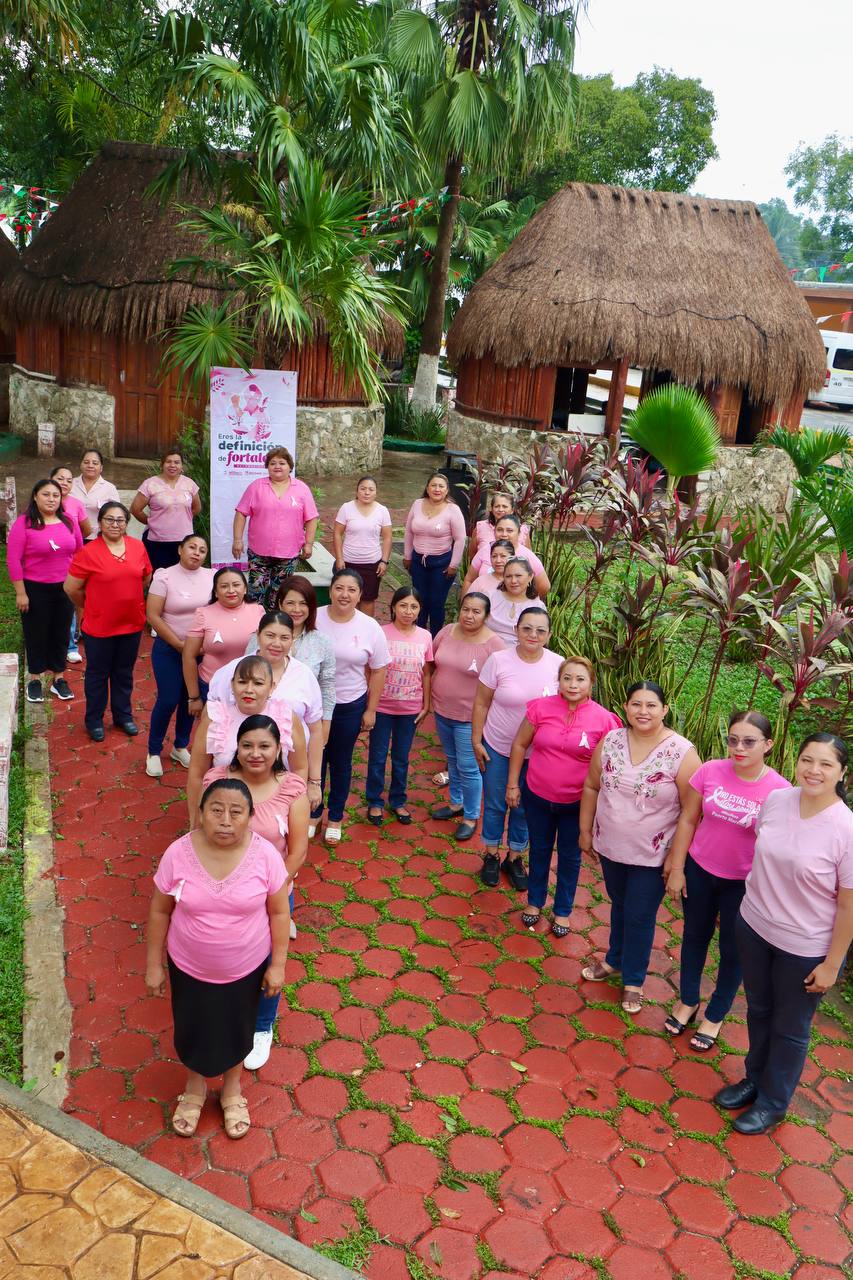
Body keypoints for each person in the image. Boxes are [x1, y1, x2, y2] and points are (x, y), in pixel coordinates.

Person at [714, 734, 853, 1135]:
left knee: (790, 1027)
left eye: (826, 764)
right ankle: (754, 1079)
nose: (814, 770)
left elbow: (848, 905)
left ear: (842, 772)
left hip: (804, 947)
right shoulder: (776, 800)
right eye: (808, 760)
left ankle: (774, 1102)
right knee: (758, 1011)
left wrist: (832, 964)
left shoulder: (844, 830)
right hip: (755, 927)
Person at [146, 778, 291, 1139]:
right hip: (188, 966)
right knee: (192, 1025)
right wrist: (153, 964)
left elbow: (278, 913)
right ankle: (194, 1087)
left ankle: (231, 1090)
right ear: (200, 813)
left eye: (236, 812)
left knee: (238, 1027)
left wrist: (278, 965)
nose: (225, 820)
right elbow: (160, 910)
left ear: (250, 817)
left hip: (246, 967)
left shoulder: (267, 857)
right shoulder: (178, 853)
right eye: (216, 810)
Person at [662, 711, 790, 1051]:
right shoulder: (710, 770)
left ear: (768, 744)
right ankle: (688, 1001)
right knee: (694, 937)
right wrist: (677, 867)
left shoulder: (780, 791)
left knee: (733, 952)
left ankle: (715, 1016)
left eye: (749, 742)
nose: (739, 748)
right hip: (700, 870)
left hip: (743, 884)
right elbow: (689, 818)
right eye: (733, 740)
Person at [579, 681, 701, 1015]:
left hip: (653, 855)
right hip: (611, 847)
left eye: (651, 705)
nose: (643, 711)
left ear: (664, 709)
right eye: (636, 704)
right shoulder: (612, 740)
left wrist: (676, 862)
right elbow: (591, 786)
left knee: (640, 915)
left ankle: (633, 979)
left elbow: (692, 811)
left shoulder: (681, 752)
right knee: (619, 904)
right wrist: (585, 830)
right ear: (626, 707)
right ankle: (615, 960)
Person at [204, 716, 309, 1070]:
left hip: (272, 895)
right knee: (224, 956)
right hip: (221, 892)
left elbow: (297, 851)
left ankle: (262, 1026)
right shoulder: (219, 781)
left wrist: (274, 891)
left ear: (279, 749)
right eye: (247, 745)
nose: (255, 754)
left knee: (268, 960)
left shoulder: (292, 789)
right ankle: (224, 1014)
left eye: (264, 746)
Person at [507, 657, 622, 937]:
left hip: (576, 805)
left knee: (570, 857)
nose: (573, 684)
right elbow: (521, 744)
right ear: (558, 681)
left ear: (591, 684)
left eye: (580, 679)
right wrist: (513, 784)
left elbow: (610, 767)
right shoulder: (540, 708)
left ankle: (562, 911)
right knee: (539, 850)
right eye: (567, 678)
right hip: (537, 795)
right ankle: (534, 902)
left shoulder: (605, 720)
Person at [471, 607, 562, 889]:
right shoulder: (499, 660)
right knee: (497, 802)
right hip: (498, 745)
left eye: (540, 630)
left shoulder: (558, 665)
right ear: (516, 630)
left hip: (539, 754)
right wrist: (476, 740)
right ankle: (491, 854)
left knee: (524, 807)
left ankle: (515, 856)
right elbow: (482, 702)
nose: (532, 635)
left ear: (548, 635)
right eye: (526, 628)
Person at [210, 610, 324, 816]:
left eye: (284, 637)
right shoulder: (232, 671)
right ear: (258, 635)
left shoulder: (304, 676)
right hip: (232, 778)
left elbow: (316, 731)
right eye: (270, 635)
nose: (276, 643)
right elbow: (213, 722)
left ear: (293, 640)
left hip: (284, 778)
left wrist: (314, 781)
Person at [64, 502, 152, 741]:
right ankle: (94, 720)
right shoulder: (89, 551)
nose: (115, 524)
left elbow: (145, 578)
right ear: (100, 523)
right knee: (98, 674)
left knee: (124, 673)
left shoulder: (137, 547)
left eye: (120, 520)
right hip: (99, 626)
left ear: (126, 524)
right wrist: (93, 603)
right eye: (110, 519)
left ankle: (123, 716)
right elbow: (71, 588)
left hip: (131, 623)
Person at [315, 569, 389, 843]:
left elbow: (379, 669)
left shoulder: (370, 627)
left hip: (349, 704)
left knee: (341, 761)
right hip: (315, 704)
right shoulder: (315, 616)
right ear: (331, 589)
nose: (344, 595)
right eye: (339, 588)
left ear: (359, 595)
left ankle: (335, 816)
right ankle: (313, 811)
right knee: (315, 759)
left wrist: (371, 709)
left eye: (351, 590)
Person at [186, 655, 306, 823]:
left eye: (258, 683)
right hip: (225, 815)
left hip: (272, 815)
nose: (249, 689)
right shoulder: (216, 718)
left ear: (272, 687)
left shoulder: (286, 718)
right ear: (232, 684)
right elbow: (197, 774)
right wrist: (195, 821)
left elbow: (299, 769)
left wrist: (296, 814)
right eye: (242, 682)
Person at [431, 593, 504, 842]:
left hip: (469, 718)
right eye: (465, 609)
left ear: (486, 616)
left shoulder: (494, 646)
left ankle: (471, 817)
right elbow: (432, 661)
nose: (469, 616)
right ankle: (455, 803)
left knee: (469, 767)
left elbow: (500, 682)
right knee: (452, 761)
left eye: (476, 611)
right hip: (441, 711)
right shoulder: (447, 631)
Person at [145, 534, 214, 777]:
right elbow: (153, 615)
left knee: (192, 698)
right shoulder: (164, 576)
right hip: (169, 648)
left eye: (202, 550)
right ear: (180, 549)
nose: (197, 553)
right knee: (168, 698)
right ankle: (153, 751)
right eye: (192, 547)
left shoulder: (212, 576)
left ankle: (180, 745)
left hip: (202, 651)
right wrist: (178, 644)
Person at [8, 479, 82, 704]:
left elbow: (79, 552)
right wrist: (21, 592)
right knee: (36, 633)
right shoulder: (25, 523)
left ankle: (58, 678)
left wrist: (79, 584)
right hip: (35, 588)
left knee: (61, 633)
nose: (51, 499)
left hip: (65, 588)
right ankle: (35, 679)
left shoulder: (68, 521)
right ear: (35, 497)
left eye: (56, 495)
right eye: (46, 495)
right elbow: (13, 560)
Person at [366, 587, 433, 825]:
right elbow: (371, 668)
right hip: (382, 707)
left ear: (419, 611)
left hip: (410, 709)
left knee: (401, 757)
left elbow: (426, 673)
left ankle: (398, 800)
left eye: (413, 607)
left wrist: (426, 704)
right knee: (377, 755)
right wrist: (369, 702)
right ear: (393, 607)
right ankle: (374, 800)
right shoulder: (380, 633)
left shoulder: (425, 636)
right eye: (403, 605)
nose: (408, 611)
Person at [232, 448, 319, 606]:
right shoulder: (256, 487)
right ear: (267, 466)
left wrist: (309, 543)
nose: (277, 466)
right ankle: (254, 625)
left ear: (290, 466)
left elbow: (312, 518)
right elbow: (241, 513)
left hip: (288, 552)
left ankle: (277, 626)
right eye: (273, 463)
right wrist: (237, 540)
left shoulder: (301, 489)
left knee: (280, 594)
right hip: (259, 552)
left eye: (282, 463)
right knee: (255, 592)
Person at [182, 569, 265, 711]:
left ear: (245, 588)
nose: (231, 590)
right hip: (211, 685)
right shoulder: (204, 614)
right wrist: (194, 697)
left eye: (236, 585)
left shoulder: (258, 611)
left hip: (250, 688)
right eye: (224, 586)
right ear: (215, 592)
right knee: (213, 731)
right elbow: (188, 656)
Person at [273, 577, 336, 751]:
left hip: (307, 725)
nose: (297, 610)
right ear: (280, 604)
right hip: (266, 724)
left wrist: (326, 723)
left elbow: (327, 685)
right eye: (290, 603)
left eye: (303, 603)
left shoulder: (322, 642)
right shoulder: (261, 638)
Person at [403, 472, 466, 636]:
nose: (437, 489)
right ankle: (419, 636)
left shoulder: (453, 509)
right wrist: (407, 556)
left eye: (441, 486)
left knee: (436, 603)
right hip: (418, 562)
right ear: (427, 488)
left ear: (446, 490)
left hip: (442, 564)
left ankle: (436, 639)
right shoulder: (417, 504)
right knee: (419, 601)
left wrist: (454, 565)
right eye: (433, 485)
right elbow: (409, 532)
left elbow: (460, 539)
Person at [130, 448, 201, 571]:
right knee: (158, 577)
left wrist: (181, 519)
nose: (173, 465)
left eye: (177, 462)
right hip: (157, 541)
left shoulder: (189, 484)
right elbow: (135, 509)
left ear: (181, 466)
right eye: (168, 462)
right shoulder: (150, 484)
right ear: (162, 464)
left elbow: (196, 508)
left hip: (184, 540)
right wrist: (152, 522)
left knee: (182, 576)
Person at [332, 476, 393, 617]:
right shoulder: (346, 508)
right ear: (357, 490)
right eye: (363, 489)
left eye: (371, 489)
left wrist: (384, 561)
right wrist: (340, 559)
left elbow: (387, 537)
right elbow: (337, 534)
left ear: (376, 493)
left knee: (367, 600)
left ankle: (366, 634)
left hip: (372, 564)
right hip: (348, 563)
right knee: (346, 599)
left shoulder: (382, 510)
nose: (367, 492)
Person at [49, 466, 91, 666]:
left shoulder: (76, 504)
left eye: (68, 480)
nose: (64, 483)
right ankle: (50, 643)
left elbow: (86, 530)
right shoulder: (42, 502)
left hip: (68, 562)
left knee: (67, 603)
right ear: (50, 479)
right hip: (44, 564)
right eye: (60, 478)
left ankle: (70, 646)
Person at [463, 515, 549, 598]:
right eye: (499, 530)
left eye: (509, 530)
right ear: (494, 532)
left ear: (519, 533)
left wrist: (525, 602)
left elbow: (544, 586)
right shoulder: (485, 550)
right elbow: (469, 580)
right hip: (484, 608)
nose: (504, 534)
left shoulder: (527, 556)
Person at [485, 557, 541, 647]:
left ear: (530, 577)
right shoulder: (489, 597)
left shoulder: (537, 606)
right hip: (487, 650)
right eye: (508, 576)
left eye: (518, 576)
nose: (513, 581)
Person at [69, 449, 120, 538]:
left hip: (98, 538)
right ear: (81, 465)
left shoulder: (110, 488)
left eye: (95, 463)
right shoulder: (70, 484)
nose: (90, 466)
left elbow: (117, 514)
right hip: (70, 536)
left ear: (101, 468)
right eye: (86, 462)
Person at [469, 492, 531, 560]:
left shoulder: (522, 529)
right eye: (497, 506)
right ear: (492, 509)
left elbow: (528, 557)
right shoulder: (480, 527)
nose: (500, 509)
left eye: (504, 506)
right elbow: (473, 555)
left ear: (512, 510)